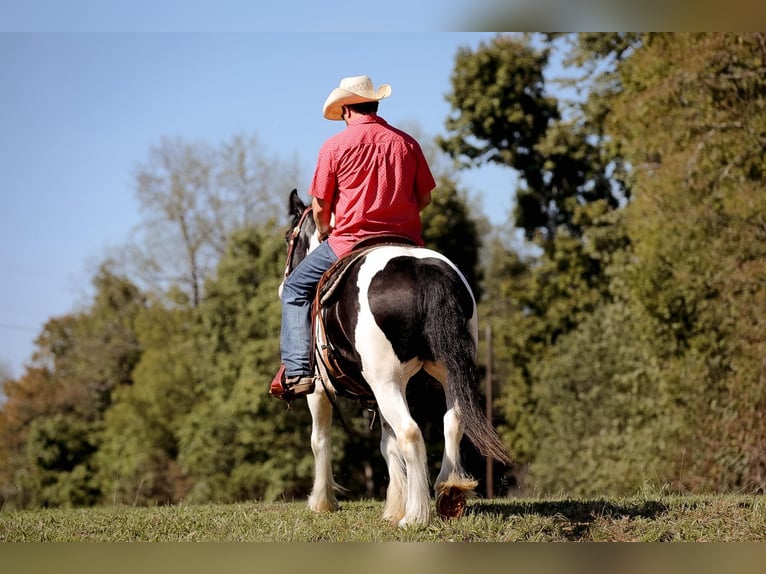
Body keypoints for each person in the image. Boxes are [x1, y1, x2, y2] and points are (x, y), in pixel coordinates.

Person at [270, 74, 436, 400]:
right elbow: (425, 198)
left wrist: (323, 230)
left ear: (346, 110)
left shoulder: (334, 146)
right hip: (406, 240)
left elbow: (320, 207)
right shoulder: (406, 142)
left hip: (350, 241)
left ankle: (298, 371)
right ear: (374, 104)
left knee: (293, 289)